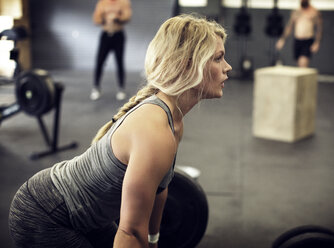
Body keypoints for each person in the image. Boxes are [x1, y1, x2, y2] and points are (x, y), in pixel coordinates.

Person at [8, 14, 232, 248]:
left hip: (84, 214)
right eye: (219, 58)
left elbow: (160, 189)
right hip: (45, 214)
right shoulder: (154, 130)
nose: (228, 67)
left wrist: (153, 240)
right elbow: (130, 232)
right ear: (189, 64)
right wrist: (143, 239)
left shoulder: (173, 119)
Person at [91, 0, 132, 101]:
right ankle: (96, 88)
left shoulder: (123, 2)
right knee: (99, 61)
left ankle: (121, 88)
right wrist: (105, 18)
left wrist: (117, 18)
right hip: (105, 35)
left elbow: (127, 16)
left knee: (119, 62)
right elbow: (96, 18)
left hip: (118, 35)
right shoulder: (103, 3)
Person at [275, 0, 322, 67]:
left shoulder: (314, 12)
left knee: (303, 63)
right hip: (297, 41)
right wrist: (282, 39)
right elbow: (289, 26)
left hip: (307, 41)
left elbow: (319, 28)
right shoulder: (296, 11)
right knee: (299, 64)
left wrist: (317, 42)